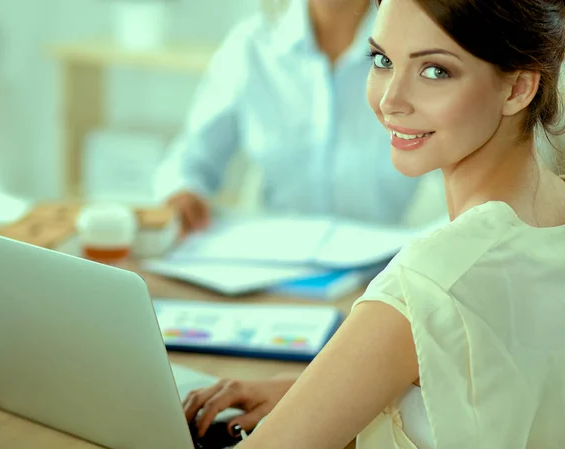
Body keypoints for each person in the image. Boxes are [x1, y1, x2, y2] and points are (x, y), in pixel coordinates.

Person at [180, 0, 565, 448]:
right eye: (382, 60)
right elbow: (507, 388)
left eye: (435, 71)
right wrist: (320, 392)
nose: (389, 101)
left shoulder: (425, 282)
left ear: (518, 88)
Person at [156, 0, 434, 236]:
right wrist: (181, 191)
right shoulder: (251, 47)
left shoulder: (419, 50)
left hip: (384, 271)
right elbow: (190, 159)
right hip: (272, 268)